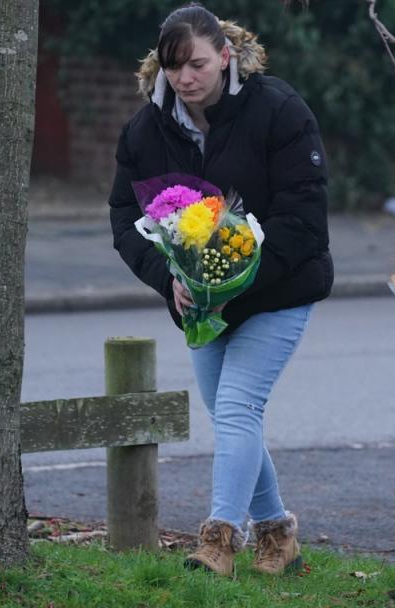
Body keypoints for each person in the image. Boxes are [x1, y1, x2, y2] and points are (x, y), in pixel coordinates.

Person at [108, 3, 331, 577]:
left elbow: (303, 219)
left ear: (226, 56)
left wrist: (239, 283)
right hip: (200, 302)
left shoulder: (279, 110)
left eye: (198, 65)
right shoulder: (144, 131)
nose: (185, 79)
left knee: (236, 406)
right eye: (174, 66)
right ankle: (279, 535)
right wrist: (172, 280)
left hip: (279, 289)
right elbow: (122, 218)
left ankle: (219, 542)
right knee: (235, 418)